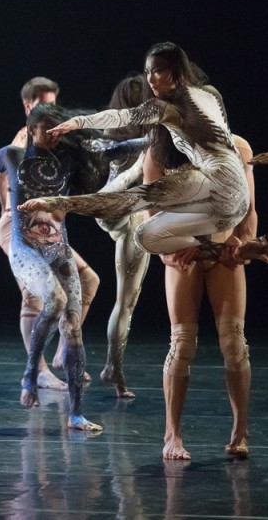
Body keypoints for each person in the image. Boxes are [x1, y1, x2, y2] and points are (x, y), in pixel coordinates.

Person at [0, 102, 109, 431]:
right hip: (24, 246)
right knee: (53, 300)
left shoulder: (65, 156)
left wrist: (145, 139)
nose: (53, 136)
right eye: (47, 130)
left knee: (73, 328)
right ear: (32, 128)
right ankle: (30, 374)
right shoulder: (13, 155)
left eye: (58, 130)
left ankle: (77, 414)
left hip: (58, 246)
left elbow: (111, 149)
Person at [19, 42, 249, 259]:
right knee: (145, 236)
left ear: (175, 70)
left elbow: (123, 116)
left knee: (130, 201)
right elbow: (227, 138)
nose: (150, 79)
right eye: (147, 72)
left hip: (220, 183)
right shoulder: (211, 93)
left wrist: (78, 122)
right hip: (235, 205)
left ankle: (59, 202)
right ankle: (221, 250)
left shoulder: (167, 108)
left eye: (157, 71)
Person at [157, 134, 256, 460]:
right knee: (182, 343)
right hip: (183, 252)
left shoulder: (238, 148)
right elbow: (149, 214)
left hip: (222, 251)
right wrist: (165, 252)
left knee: (233, 342)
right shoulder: (160, 150)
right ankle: (172, 435)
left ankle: (240, 431)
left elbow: (249, 210)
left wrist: (242, 241)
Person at [0, 77, 98, 390]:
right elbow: (9, 185)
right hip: (19, 227)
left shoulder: (53, 139)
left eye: (54, 105)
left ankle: (63, 353)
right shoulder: (23, 141)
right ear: (28, 106)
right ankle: (37, 369)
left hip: (50, 228)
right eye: (44, 104)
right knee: (33, 294)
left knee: (89, 280)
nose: (51, 111)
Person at [95, 74, 151, 398]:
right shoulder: (150, 136)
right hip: (130, 212)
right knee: (125, 300)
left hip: (112, 210)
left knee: (125, 299)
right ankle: (114, 370)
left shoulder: (109, 132)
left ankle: (111, 367)